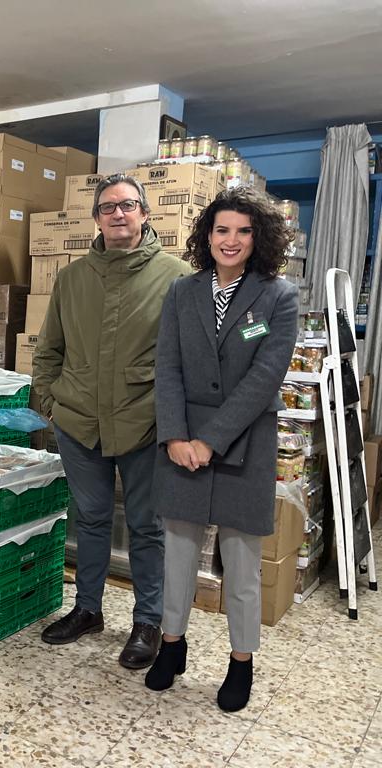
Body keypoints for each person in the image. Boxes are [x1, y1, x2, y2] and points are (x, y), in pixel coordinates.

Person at [144, 187, 298, 711]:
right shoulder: (182, 293)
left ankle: (241, 662)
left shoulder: (278, 296)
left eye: (243, 231)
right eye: (221, 230)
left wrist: (211, 440)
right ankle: (172, 646)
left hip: (244, 445)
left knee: (241, 564)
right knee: (178, 558)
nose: (231, 240)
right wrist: (176, 437)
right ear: (206, 236)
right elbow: (167, 367)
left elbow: (264, 379)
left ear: (259, 240)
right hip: (182, 443)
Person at [33, 173, 191, 669]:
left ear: (145, 214)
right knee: (92, 519)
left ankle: (147, 621)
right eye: (107, 207)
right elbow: (48, 349)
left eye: (127, 205)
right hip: (79, 421)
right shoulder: (72, 278)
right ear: (97, 219)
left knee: (146, 526)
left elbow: (192, 358)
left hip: (146, 424)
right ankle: (87, 609)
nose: (118, 213)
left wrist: (177, 423)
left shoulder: (177, 278)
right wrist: (50, 403)